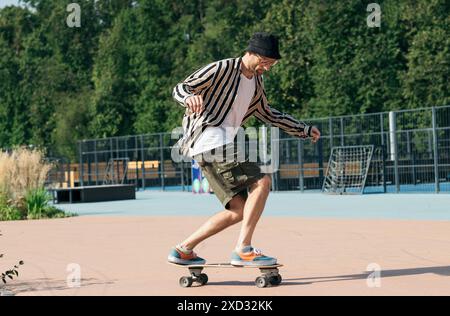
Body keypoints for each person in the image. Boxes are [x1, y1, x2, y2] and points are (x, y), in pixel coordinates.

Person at [168, 32, 321, 266]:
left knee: (238, 210)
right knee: (262, 182)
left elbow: (269, 114)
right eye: (265, 62)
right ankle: (243, 249)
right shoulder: (222, 68)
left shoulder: (257, 84)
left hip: (213, 147)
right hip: (209, 138)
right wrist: (189, 97)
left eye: (272, 65)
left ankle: (183, 249)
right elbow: (181, 87)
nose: (267, 69)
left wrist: (303, 129)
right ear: (252, 53)